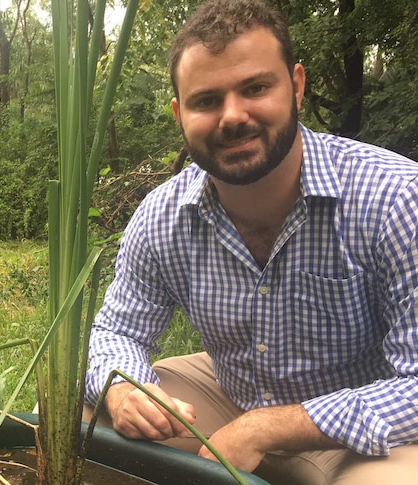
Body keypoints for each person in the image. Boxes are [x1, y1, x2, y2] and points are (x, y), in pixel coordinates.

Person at [83, 0, 418, 483]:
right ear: (180, 113)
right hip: (229, 399)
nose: (233, 116)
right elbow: (118, 333)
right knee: (82, 415)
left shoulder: (396, 198)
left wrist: (270, 428)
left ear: (296, 85)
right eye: (206, 100)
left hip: (359, 434)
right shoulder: (163, 216)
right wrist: (125, 392)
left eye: (256, 88)